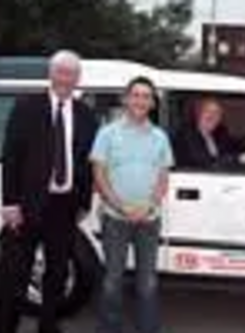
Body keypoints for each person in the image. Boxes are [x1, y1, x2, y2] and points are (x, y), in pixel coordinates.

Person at [0, 50, 99, 333]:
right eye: (61, 72)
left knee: (56, 274)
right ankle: (5, 327)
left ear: (78, 78)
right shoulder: (26, 107)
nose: (66, 78)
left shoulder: (86, 114)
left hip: (64, 207)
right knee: (15, 275)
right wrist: (10, 203)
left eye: (72, 73)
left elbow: (89, 161)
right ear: (51, 74)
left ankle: (48, 326)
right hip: (27, 205)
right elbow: (11, 156)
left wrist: (84, 202)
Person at [91, 76, 173, 333]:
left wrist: (149, 205)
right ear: (126, 99)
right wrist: (120, 206)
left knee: (147, 282)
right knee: (112, 280)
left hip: (149, 219)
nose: (140, 100)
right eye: (136, 95)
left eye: (146, 96)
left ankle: (147, 328)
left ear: (152, 103)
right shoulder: (107, 133)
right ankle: (109, 328)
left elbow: (163, 177)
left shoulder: (160, 137)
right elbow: (99, 174)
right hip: (115, 218)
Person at [173, 97, 245, 169]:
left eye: (217, 113)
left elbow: (235, 145)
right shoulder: (187, 135)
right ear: (199, 113)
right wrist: (241, 159)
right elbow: (205, 162)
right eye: (208, 111)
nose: (212, 116)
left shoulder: (219, 133)